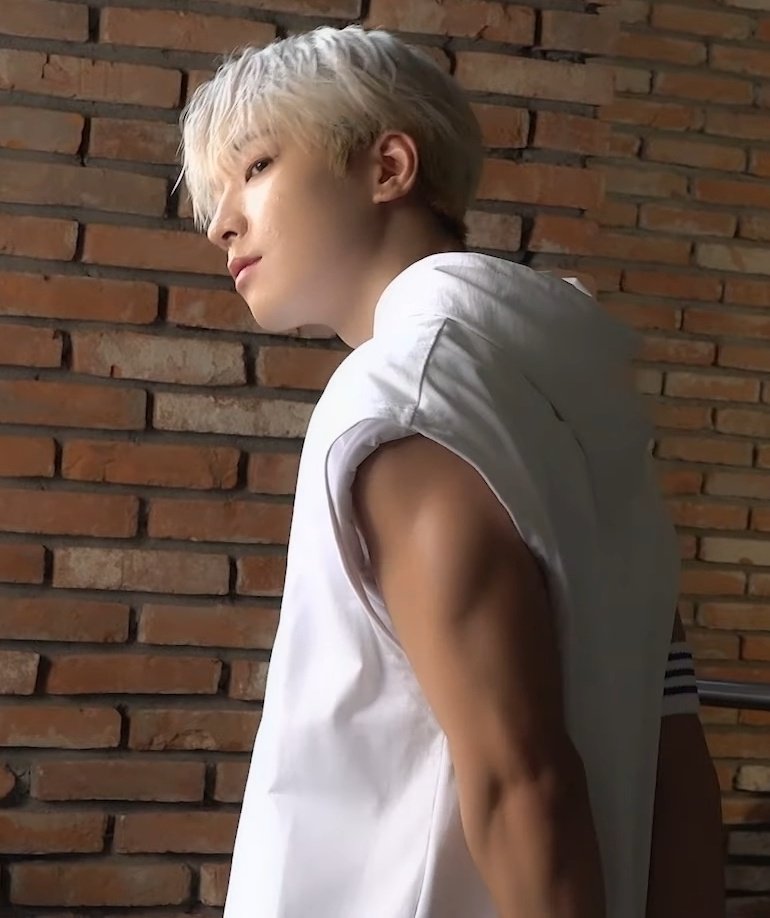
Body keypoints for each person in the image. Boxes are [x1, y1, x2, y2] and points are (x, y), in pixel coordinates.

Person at [178, 24, 725, 918]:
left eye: (258, 166)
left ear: (389, 167)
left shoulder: (403, 400)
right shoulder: (586, 415)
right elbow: (677, 770)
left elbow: (521, 783)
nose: (221, 222)